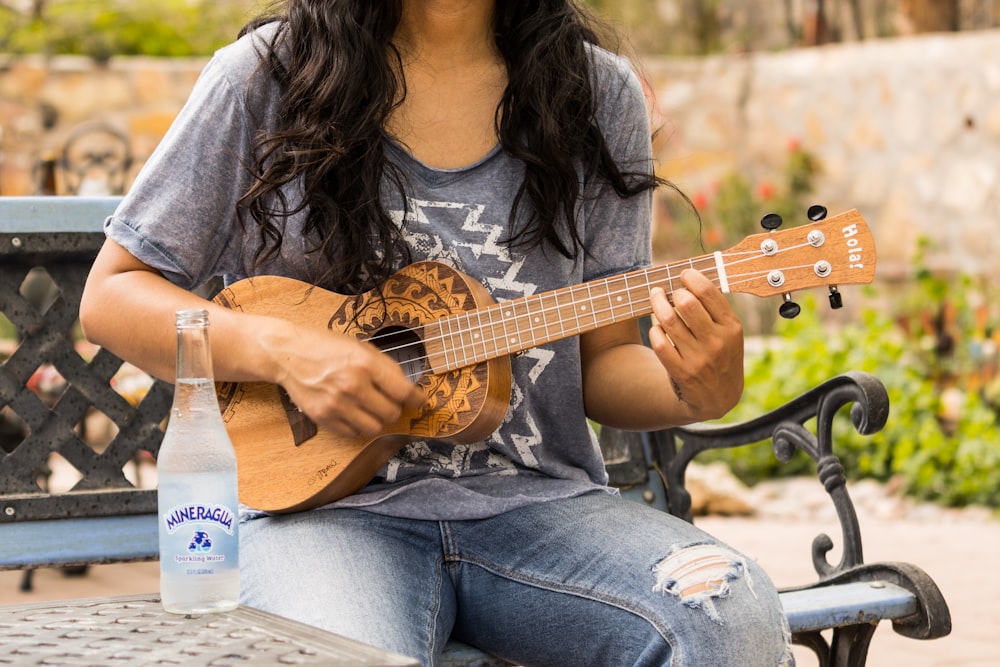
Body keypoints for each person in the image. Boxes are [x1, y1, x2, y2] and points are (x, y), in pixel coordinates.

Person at [80, 1, 793, 665]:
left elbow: (606, 364)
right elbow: (113, 295)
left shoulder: (594, 95)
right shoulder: (265, 79)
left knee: (732, 618)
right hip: (319, 518)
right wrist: (284, 351)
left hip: (541, 508)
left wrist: (698, 389)